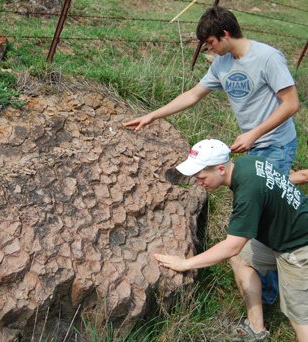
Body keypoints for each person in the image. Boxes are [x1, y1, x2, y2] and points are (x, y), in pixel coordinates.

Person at [123, 5, 300, 305]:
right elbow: (193, 95)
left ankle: (270, 292)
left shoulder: (268, 58)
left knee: (264, 213)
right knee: (258, 206)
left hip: (275, 144)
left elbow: (291, 103)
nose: (210, 50)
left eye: (211, 43)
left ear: (225, 34)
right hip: (252, 145)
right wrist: (152, 116)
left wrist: (254, 133)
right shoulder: (222, 65)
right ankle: (263, 277)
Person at [154, 138, 308, 342]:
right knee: (241, 257)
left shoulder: (247, 194)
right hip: (285, 234)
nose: (199, 183)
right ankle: (256, 330)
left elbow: (231, 245)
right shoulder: (247, 163)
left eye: (201, 177)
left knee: (299, 317)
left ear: (220, 169)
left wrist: (185, 264)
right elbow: (237, 249)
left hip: (298, 247)